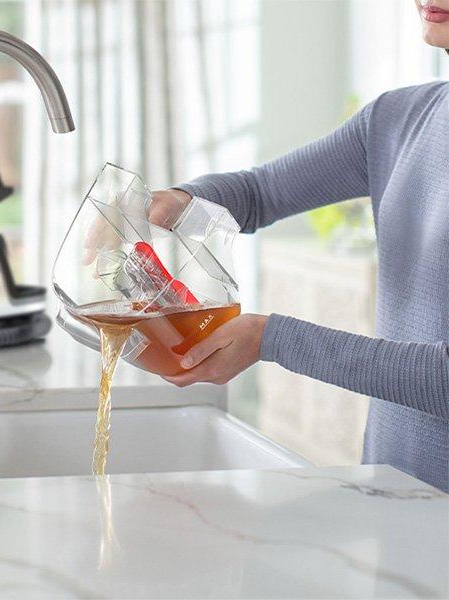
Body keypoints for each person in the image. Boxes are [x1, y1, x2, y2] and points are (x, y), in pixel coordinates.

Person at [151, 0, 449, 492]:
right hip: (394, 492)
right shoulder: (398, 119)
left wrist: (270, 339)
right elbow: (262, 191)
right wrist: (170, 203)